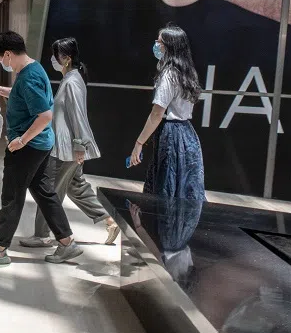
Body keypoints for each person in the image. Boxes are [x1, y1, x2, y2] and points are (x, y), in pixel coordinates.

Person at [0, 31, 81, 266]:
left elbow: (44, 115)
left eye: (1, 59)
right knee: (44, 192)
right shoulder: (32, 68)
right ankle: (67, 243)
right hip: (40, 145)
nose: (2, 63)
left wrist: (22, 140)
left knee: (12, 194)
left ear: (8, 54)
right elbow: (24, 97)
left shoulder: (28, 76)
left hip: (28, 146)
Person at [19, 38, 120, 249]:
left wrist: (79, 146)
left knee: (48, 190)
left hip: (65, 149)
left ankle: (43, 234)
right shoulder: (71, 79)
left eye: (56, 56)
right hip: (67, 147)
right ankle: (110, 220)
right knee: (76, 187)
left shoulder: (73, 82)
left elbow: (78, 116)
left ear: (66, 59)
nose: (52, 60)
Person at [129, 24, 205, 200]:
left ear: (170, 46)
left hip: (171, 135)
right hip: (187, 134)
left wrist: (139, 142)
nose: (156, 44)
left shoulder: (169, 74)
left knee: (166, 187)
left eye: (160, 42)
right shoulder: (188, 72)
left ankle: (163, 225)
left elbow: (157, 113)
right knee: (184, 188)